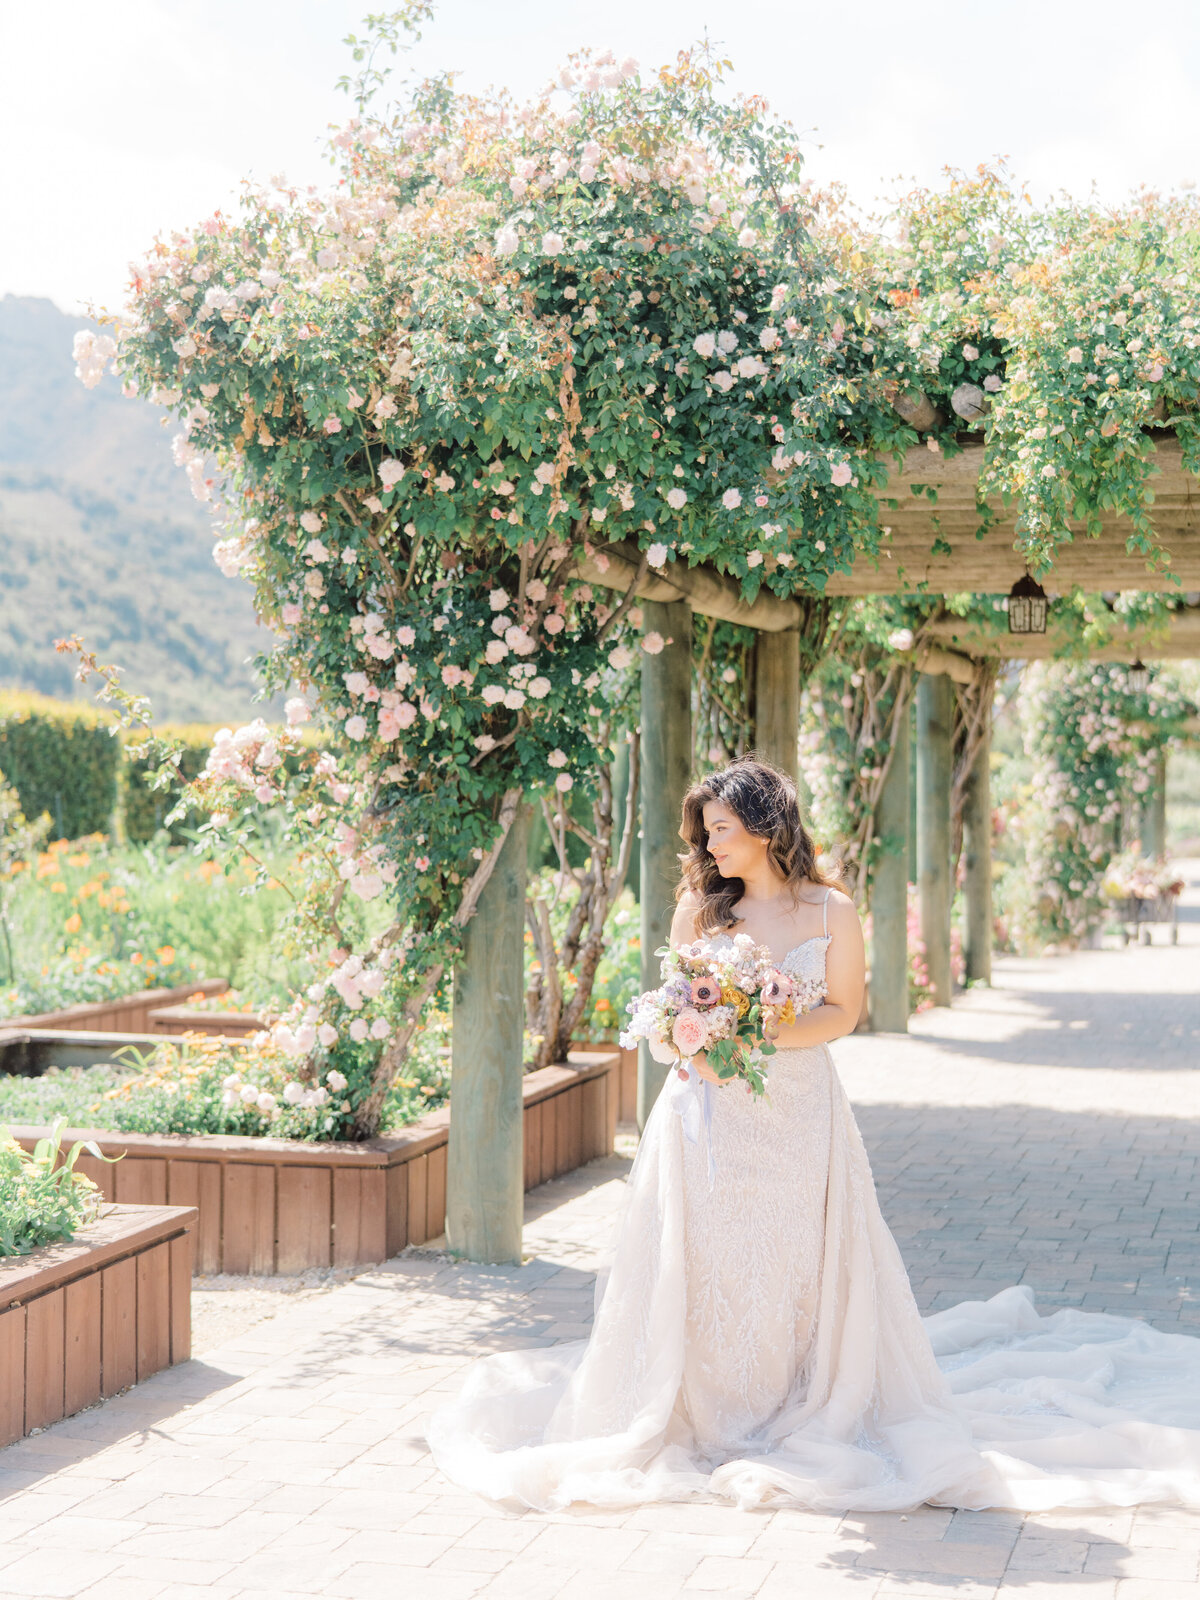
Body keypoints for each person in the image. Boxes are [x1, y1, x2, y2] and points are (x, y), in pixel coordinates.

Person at [427, 758, 1200, 1513]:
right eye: (705, 834)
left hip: (797, 1112)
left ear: (765, 827)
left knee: (795, 1259)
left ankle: (791, 1401)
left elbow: (840, 1013)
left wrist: (758, 1029)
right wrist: (695, 1035)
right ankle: (704, 1407)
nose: (710, 848)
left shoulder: (830, 910)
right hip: (706, 1115)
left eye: (721, 830)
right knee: (710, 1256)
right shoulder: (699, 910)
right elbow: (670, 1007)